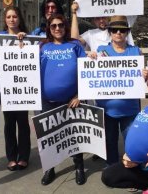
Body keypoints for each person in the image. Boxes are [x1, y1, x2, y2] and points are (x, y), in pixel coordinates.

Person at [88, 15, 148, 166]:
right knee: (110, 142)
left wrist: (145, 75)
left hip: (130, 109)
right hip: (107, 109)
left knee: (131, 142)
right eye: (115, 30)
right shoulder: (101, 51)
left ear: (127, 32)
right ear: (110, 32)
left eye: (122, 30)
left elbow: (143, 80)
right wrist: (90, 55)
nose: (118, 33)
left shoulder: (136, 52)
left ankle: (132, 171)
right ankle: (113, 170)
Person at [39, 13, 87, 185]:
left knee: (75, 135)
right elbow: (25, 67)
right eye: (53, 26)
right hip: (48, 101)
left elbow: (86, 72)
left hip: (72, 100)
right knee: (50, 137)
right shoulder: (42, 47)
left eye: (60, 25)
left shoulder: (75, 45)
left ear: (65, 27)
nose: (57, 28)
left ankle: (79, 167)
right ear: (49, 29)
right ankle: (50, 169)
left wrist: (80, 95)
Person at [0, 6, 31, 171]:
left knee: (23, 123)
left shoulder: (26, 37)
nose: (12, 19)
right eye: (8, 17)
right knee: (9, 123)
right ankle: (11, 157)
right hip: (5, 88)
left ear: (19, 19)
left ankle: (23, 156)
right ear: (5, 19)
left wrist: (23, 42)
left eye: (15, 16)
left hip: (22, 86)